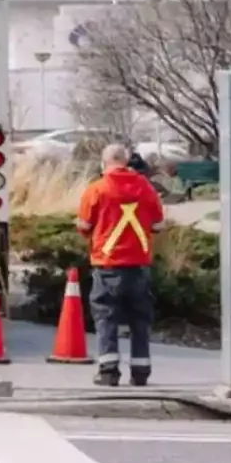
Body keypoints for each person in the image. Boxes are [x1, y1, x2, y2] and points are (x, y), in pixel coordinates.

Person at [76, 143, 165, 387]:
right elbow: (158, 225)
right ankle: (141, 372)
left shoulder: (96, 190)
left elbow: (83, 226)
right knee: (140, 319)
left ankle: (108, 371)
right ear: (126, 162)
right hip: (139, 264)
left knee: (106, 317)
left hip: (108, 264)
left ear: (104, 164)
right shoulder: (146, 188)